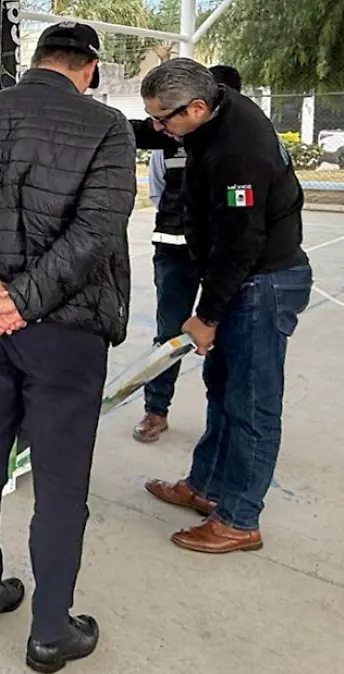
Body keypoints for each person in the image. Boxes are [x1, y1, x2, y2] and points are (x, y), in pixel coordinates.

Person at [0, 22, 135, 672]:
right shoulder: (106, 128)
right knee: (61, 485)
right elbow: (97, 231)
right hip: (65, 335)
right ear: (90, 69)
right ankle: (49, 631)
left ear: (38, 61)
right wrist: (19, 299)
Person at [137, 59, 312, 554]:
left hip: (263, 282)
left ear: (196, 107)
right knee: (223, 388)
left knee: (252, 404)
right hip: (245, 277)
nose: (159, 129)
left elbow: (241, 245)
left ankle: (238, 519)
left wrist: (208, 314)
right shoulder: (213, 111)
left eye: (163, 120)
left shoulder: (239, 151)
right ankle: (206, 486)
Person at [132, 64, 242, 443]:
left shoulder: (237, 146)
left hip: (222, 259)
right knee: (169, 334)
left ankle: (223, 421)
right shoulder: (167, 137)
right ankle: (155, 410)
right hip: (173, 250)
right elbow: (159, 189)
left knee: (224, 334)